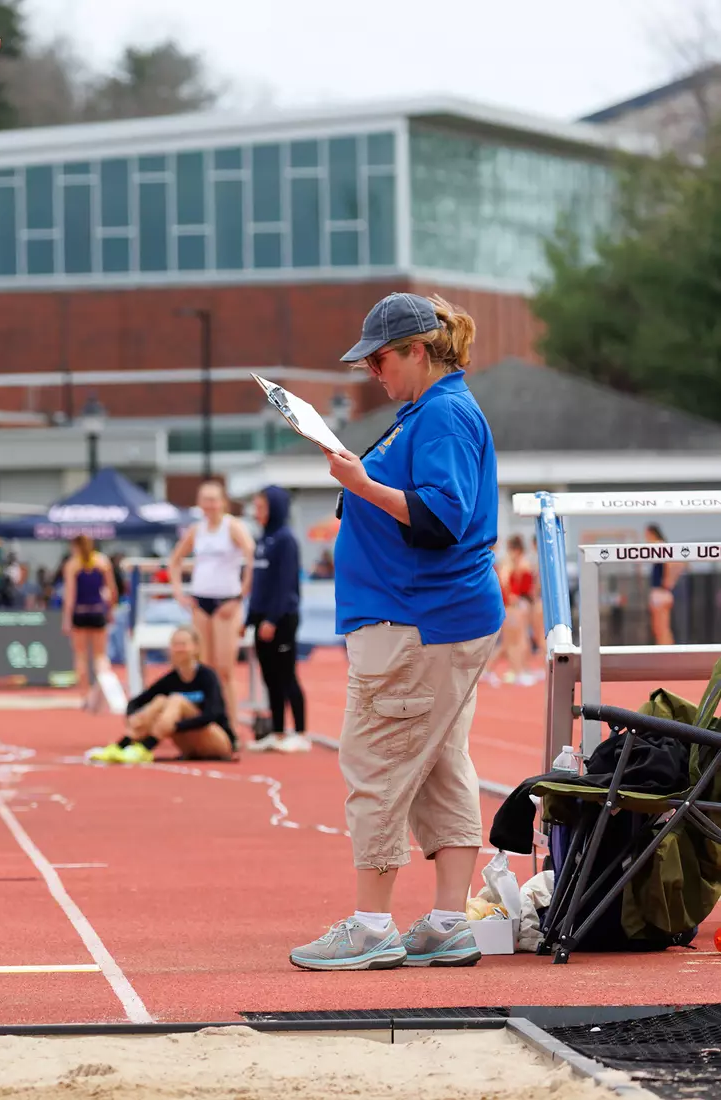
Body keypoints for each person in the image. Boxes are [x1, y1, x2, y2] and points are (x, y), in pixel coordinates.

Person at [289, 292, 502, 972]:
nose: (372, 373)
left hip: (415, 619)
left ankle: (372, 923)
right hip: (431, 617)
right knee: (441, 764)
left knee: (376, 763)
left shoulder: (440, 416)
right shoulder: (429, 413)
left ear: (417, 350)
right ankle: (445, 920)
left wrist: (360, 482)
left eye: (380, 359)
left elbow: (441, 520)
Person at [169, 480, 254, 725]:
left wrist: (241, 595)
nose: (209, 505)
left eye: (213, 500)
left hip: (226, 602)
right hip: (200, 601)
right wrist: (178, 592)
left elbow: (251, 557)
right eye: (204, 500)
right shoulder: (196, 530)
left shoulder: (233, 527)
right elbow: (175, 559)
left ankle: (232, 725)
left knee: (225, 669)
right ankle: (208, 721)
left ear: (222, 502)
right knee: (205, 667)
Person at [87, 626, 234, 764]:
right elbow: (137, 702)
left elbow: (212, 714)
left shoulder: (207, 676)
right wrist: (132, 717)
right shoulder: (171, 679)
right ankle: (123, 745)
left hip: (217, 741)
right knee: (160, 701)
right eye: (175, 644)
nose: (179, 649)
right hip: (189, 745)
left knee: (176, 700)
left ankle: (146, 746)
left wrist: (175, 726)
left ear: (196, 648)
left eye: (183, 644)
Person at [248, 486, 310, 752]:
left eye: (261, 507)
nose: (256, 513)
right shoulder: (263, 540)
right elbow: (259, 584)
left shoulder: (286, 540)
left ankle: (300, 732)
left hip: (281, 619)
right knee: (269, 677)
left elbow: (285, 585)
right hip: (261, 619)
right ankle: (276, 731)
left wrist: (272, 619)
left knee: (287, 676)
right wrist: (250, 617)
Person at [60, 534, 117, 710]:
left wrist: (67, 619)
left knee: (81, 656)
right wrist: (110, 610)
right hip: (97, 611)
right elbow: (112, 590)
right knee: (100, 656)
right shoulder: (102, 562)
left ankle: (85, 695)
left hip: (80, 613)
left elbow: (70, 595)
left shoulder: (72, 565)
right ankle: (105, 694)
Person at [492, 535, 539, 686]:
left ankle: (519, 670)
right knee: (513, 641)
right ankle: (517, 671)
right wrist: (512, 596)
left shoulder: (515, 563)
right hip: (512, 606)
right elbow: (507, 583)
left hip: (516, 605)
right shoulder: (510, 564)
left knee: (515, 640)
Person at [646, 524, 681, 646]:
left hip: (661, 592)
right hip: (657, 591)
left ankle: (667, 650)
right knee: (657, 626)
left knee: (662, 626)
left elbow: (676, 564)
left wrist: (669, 580)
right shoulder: (657, 549)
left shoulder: (660, 546)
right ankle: (663, 648)